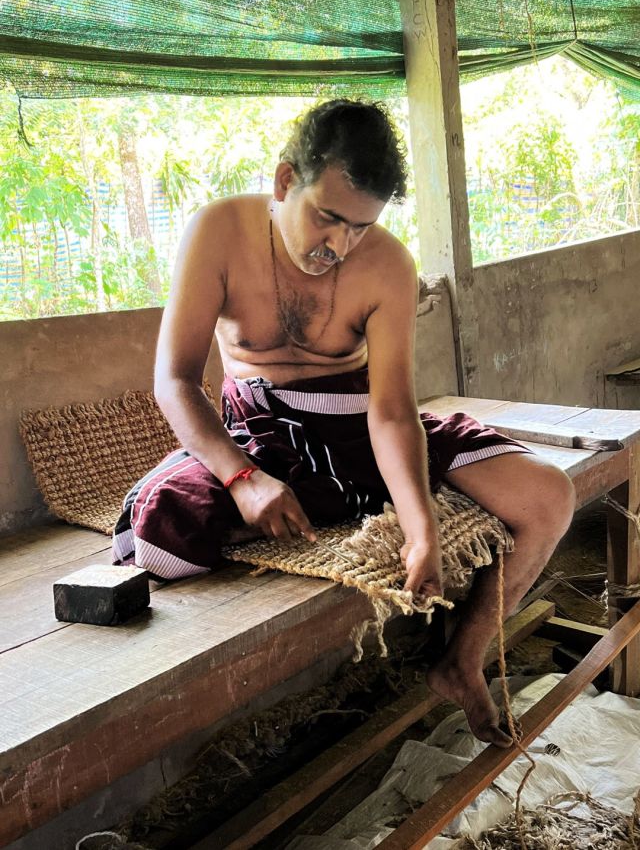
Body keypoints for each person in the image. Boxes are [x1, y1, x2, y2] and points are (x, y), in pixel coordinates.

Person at [112, 99, 575, 747]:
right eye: (327, 218)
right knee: (159, 533)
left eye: (358, 227)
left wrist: (420, 531)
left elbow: (390, 412)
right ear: (283, 183)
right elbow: (176, 382)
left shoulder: (387, 264)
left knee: (551, 497)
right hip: (261, 435)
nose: (339, 245)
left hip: (360, 430)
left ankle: (460, 659)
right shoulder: (218, 234)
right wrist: (243, 477)